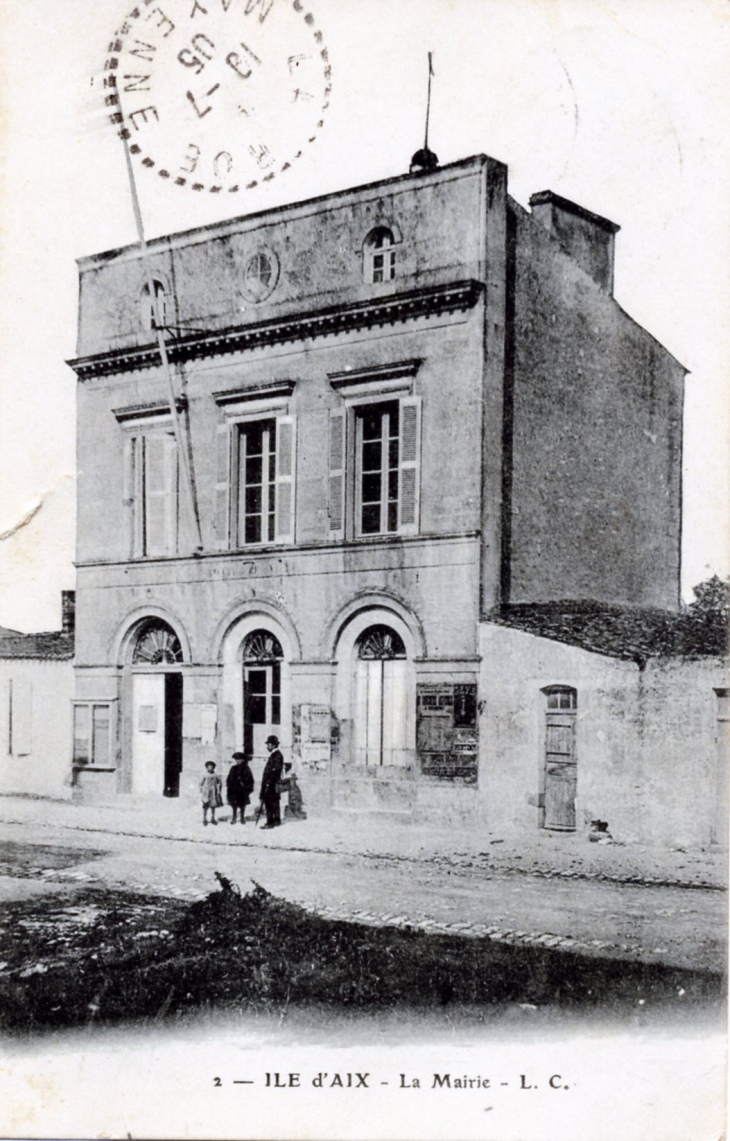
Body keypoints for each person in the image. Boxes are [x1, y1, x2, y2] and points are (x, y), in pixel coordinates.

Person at [259, 735, 284, 829]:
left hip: (271, 784)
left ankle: (270, 822)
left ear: (273, 745)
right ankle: (276, 820)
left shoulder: (277, 755)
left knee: (269, 803)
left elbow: (276, 770)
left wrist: (269, 782)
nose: (267, 747)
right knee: (274, 802)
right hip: (271, 784)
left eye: (268, 744)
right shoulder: (275, 754)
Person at [226, 751, 255, 824]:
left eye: (239, 759)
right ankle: (234, 817)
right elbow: (229, 778)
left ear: (243, 760)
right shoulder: (233, 768)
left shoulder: (246, 768)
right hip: (234, 790)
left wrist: (248, 788)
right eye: (236, 760)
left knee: (242, 805)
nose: (238, 761)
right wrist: (229, 786)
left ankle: (242, 817)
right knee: (234, 805)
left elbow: (250, 779)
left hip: (242, 790)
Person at [199, 760, 223, 826]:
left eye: (212, 767)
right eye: (209, 767)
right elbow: (200, 784)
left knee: (213, 806)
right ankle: (204, 819)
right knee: (205, 806)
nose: (210, 768)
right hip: (206, 792)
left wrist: (219, 791)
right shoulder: (204, 775)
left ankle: (212, 819)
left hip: (213, 793)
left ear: (213, 768)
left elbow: (220, 783)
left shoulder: (216, 775)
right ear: (206, 768)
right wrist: (201, 791)